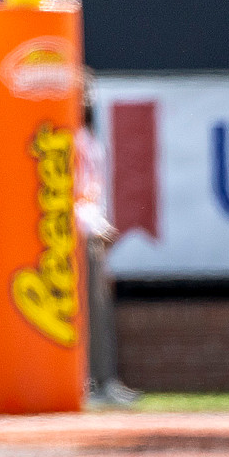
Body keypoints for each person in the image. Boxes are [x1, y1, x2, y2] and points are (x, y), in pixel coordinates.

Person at [76, 73, 142, 408]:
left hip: (92, 234)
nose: (85, 99)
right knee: (84, 311)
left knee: (99, 310)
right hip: (74, 236)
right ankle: (89, 383)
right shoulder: (64, 139)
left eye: (87, 92)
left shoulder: (87, 137)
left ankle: (104, 381)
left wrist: (101, 224)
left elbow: (91, 193)